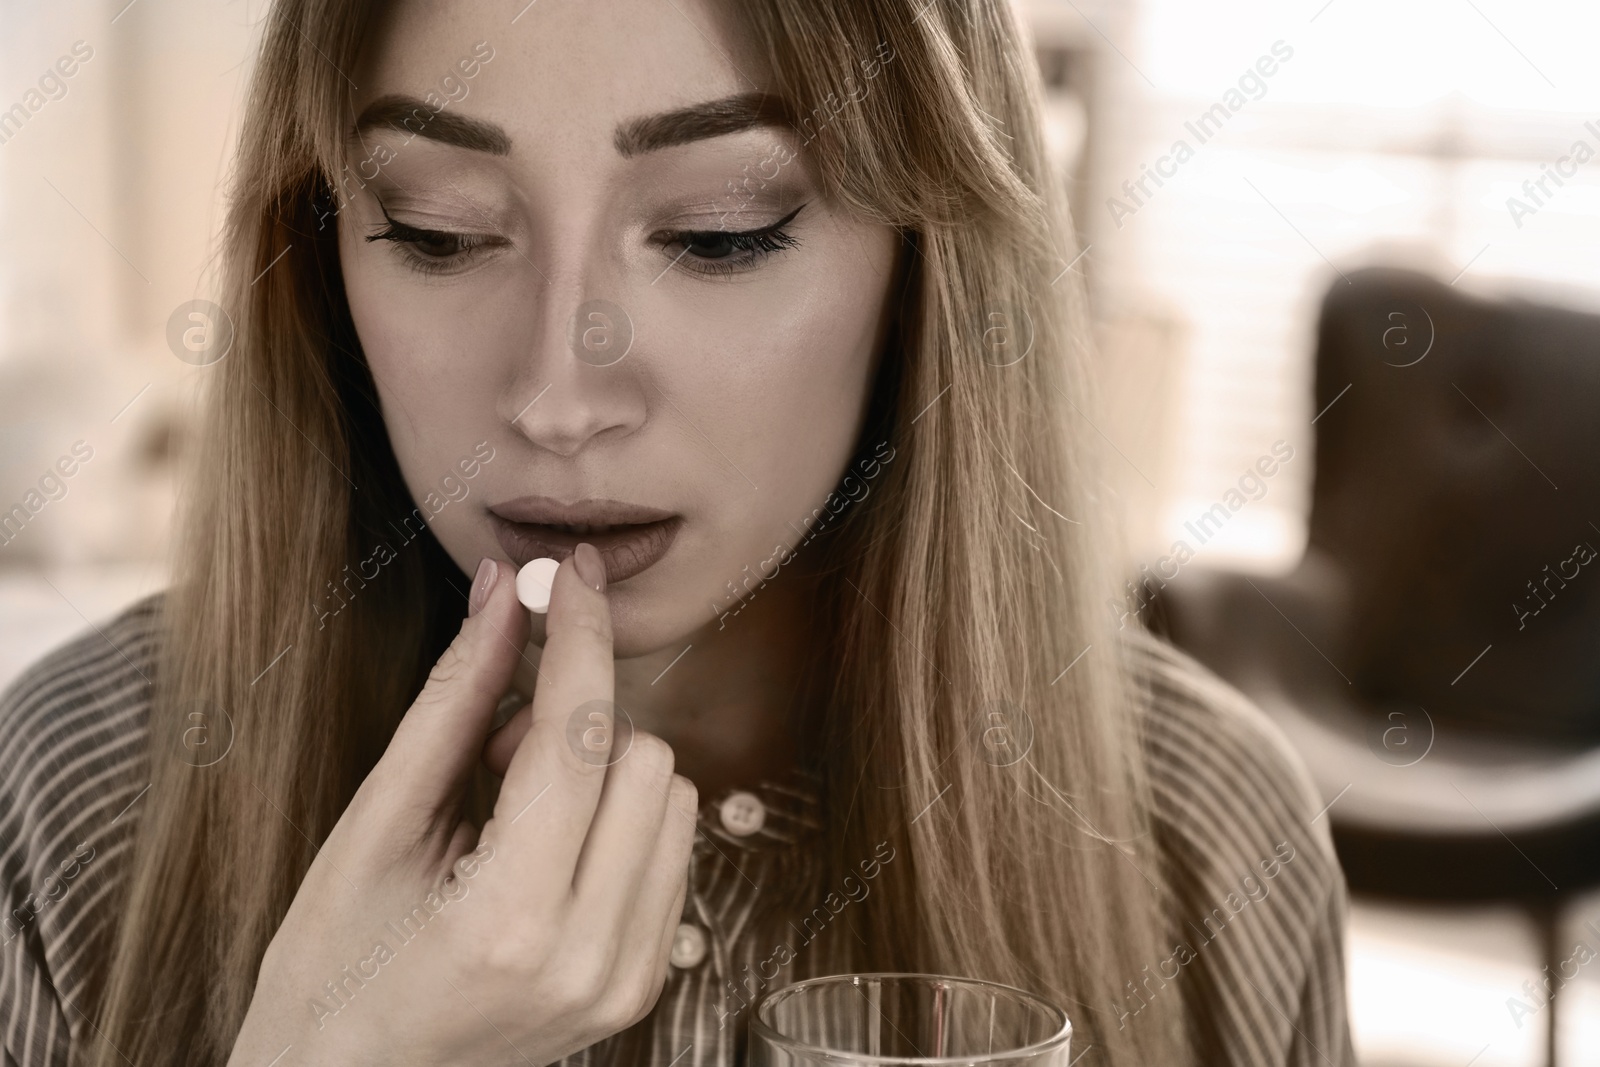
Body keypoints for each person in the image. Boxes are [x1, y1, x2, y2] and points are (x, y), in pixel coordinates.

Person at [0, 1, 1355, 1064]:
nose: (558, 397)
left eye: (719, 236)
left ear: (923, 258)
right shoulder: (76, 798)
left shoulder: (1207, 840)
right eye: (438, 232)